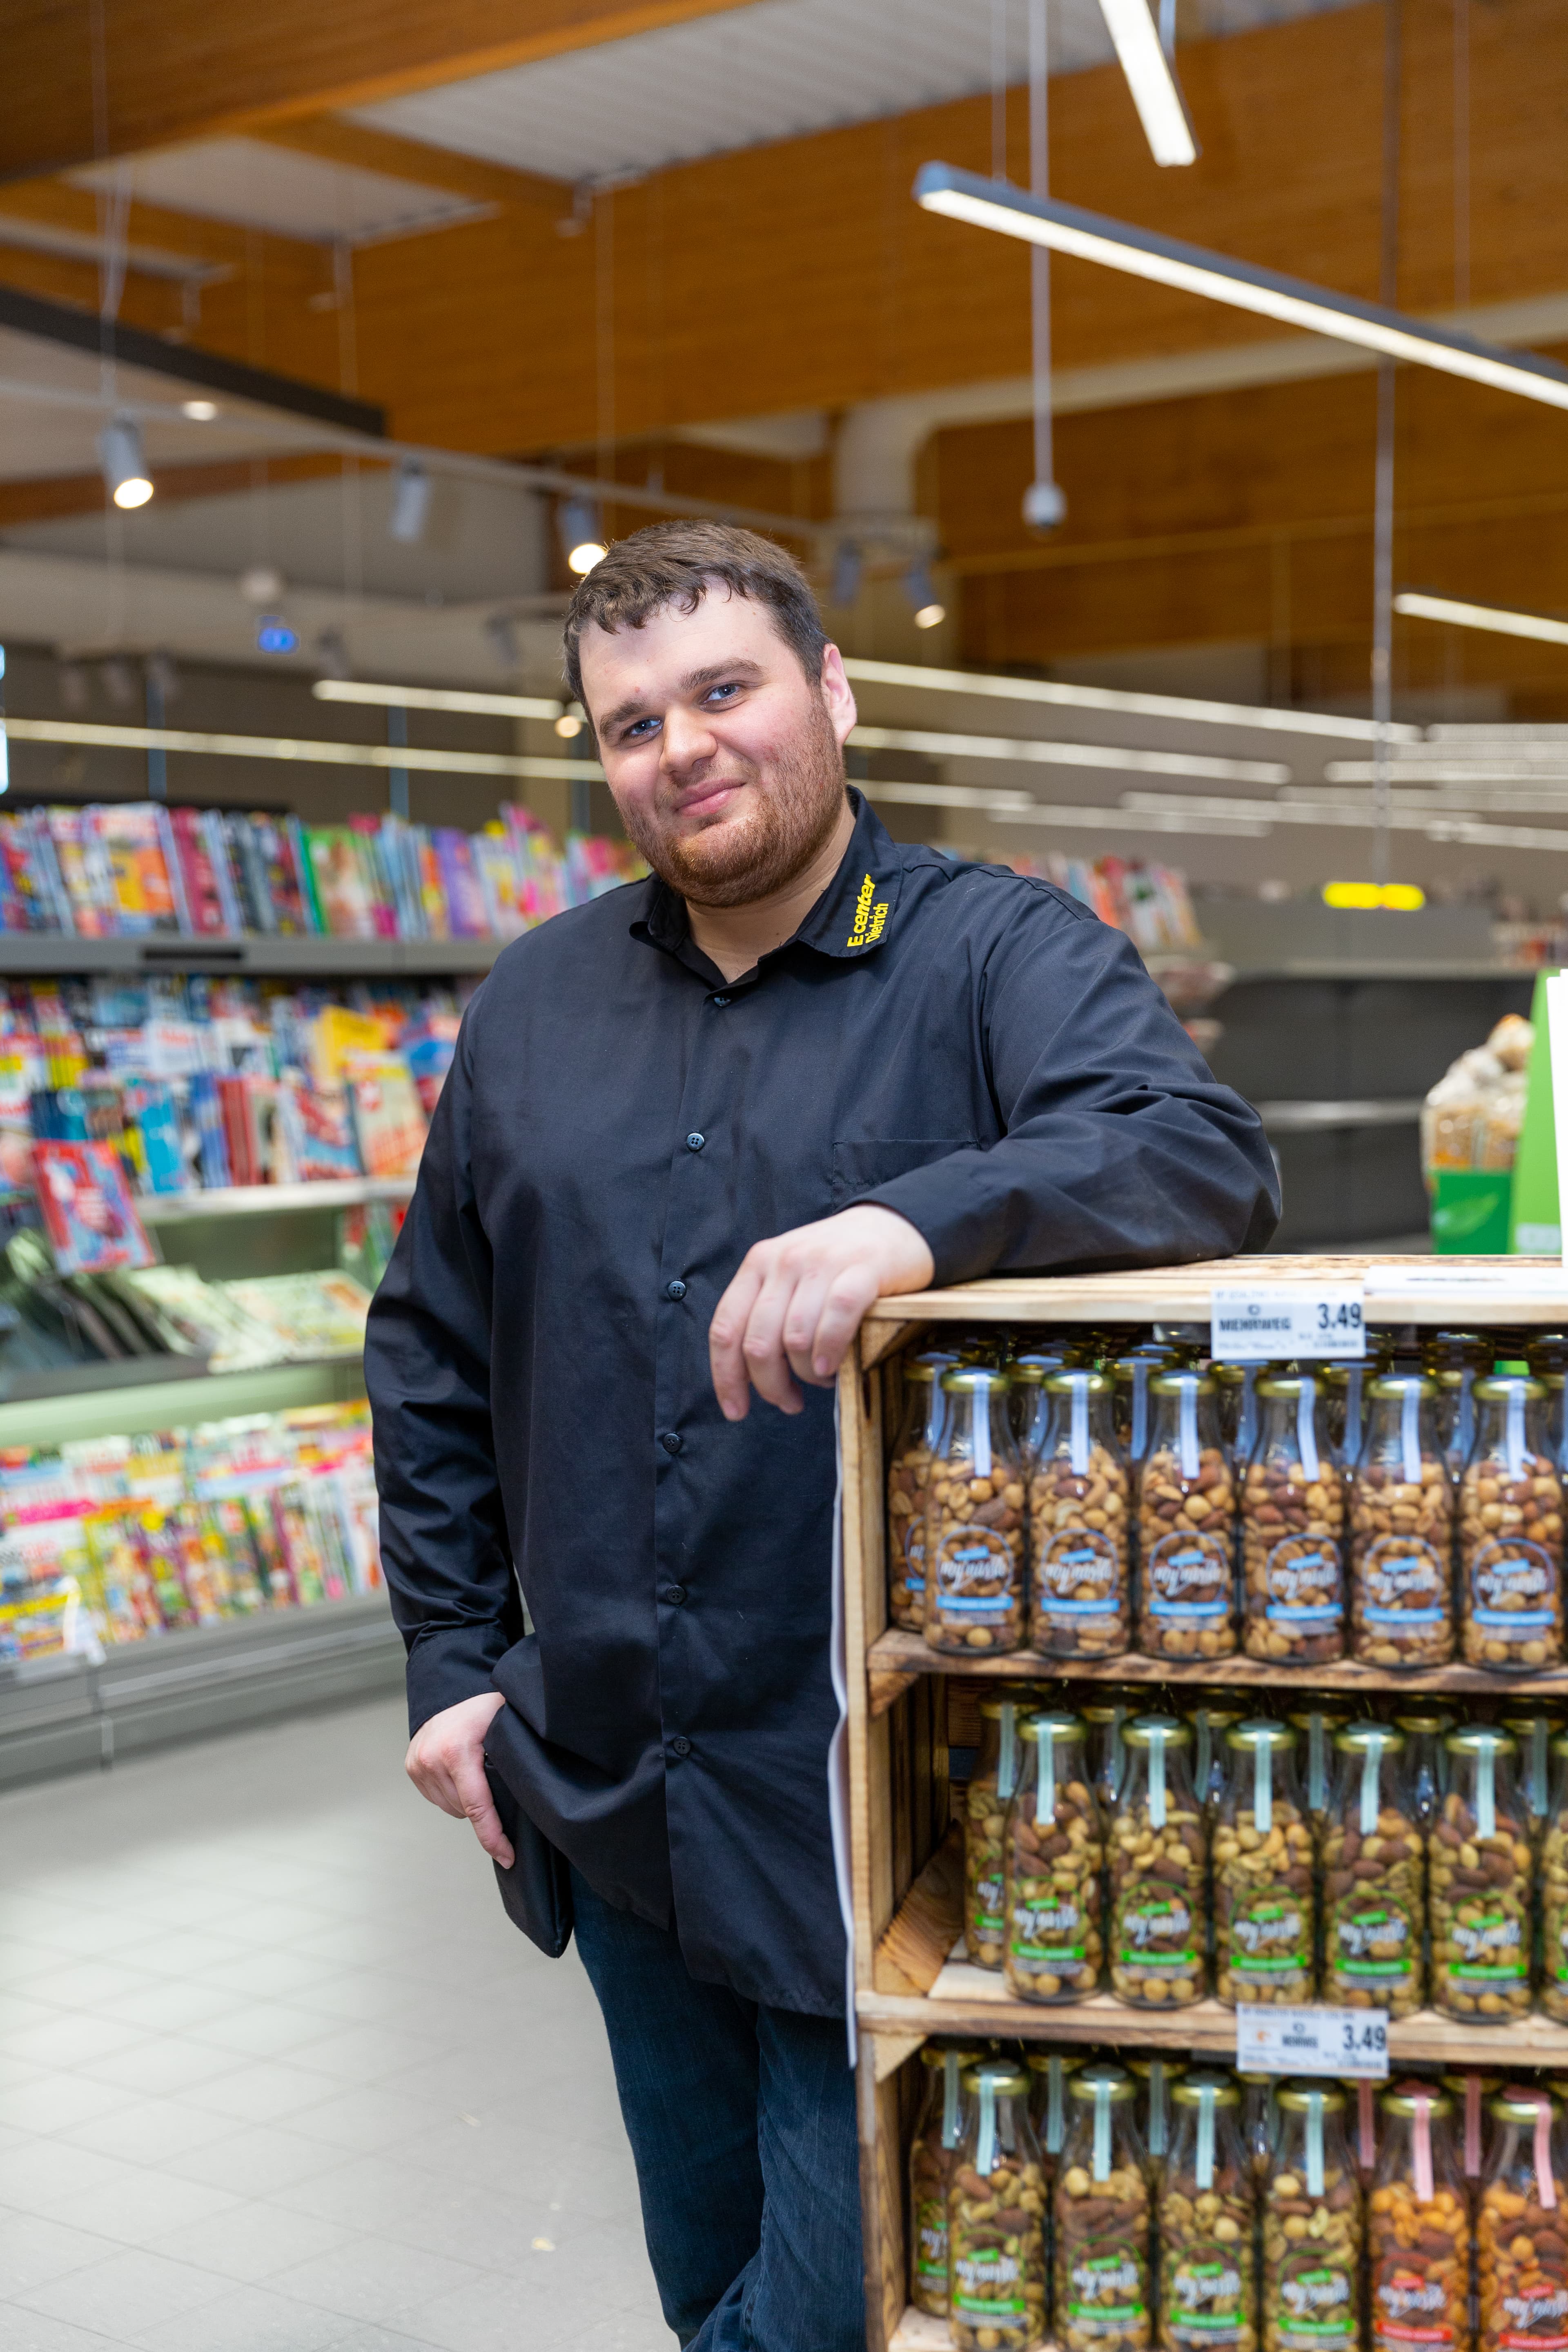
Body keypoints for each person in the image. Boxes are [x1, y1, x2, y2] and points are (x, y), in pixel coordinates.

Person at [365, 521, 1278, 2351]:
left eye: (726, 690)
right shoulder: (535, 1005)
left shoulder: (994, 953)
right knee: (707, 2275)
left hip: (881, 1800)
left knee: (838, 2304)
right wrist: (453, 1663)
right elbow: (432, 1345)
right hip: (617, 1792)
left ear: (833, 692)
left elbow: (1200, 1152)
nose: (683, 747)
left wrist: (916, 1220)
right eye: (633, 723)